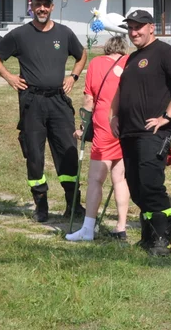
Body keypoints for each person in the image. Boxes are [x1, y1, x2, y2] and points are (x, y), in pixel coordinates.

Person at [0, 0, 87, 222]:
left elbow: (81, 55)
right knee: (34, 154)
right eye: (37, 4)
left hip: (59, 102)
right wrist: (9, 77)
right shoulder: (20, 34)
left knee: (68, 152)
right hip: (32, 102)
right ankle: (41, 206)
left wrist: (73, 76)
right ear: (31, 7)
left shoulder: (64, 33)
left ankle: (74, 205)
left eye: (46, 4)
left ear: (52, 7)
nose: (42, 8)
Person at [109, 9, 171, 256]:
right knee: (136, 187)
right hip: (129, 132)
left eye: (139, 27)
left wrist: (167, 116)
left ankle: (162, 241)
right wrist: (114, 116)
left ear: (151, 28)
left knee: (151, 184)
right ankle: (148, 237)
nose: (134, 32)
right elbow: (120, 91)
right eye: (130, 28)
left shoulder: (164, 52)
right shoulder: (132, 58)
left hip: (152, 133)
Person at [64, 35, 132, 242]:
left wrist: (83, 127)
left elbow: (89, 98)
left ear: (107, 48)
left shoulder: (97, 63)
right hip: (126, 122)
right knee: (120, 178)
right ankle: (121, 226)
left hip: (105, 122)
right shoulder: (129, 62)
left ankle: (88, 228)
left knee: (95, 179)